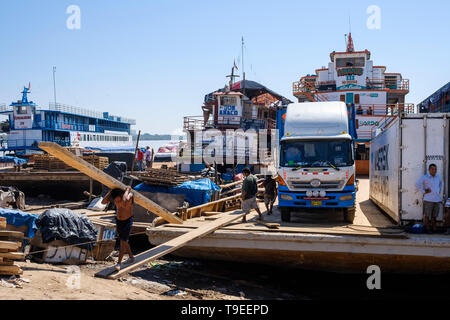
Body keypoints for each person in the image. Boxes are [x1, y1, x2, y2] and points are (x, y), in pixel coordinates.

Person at [102, 186, 135, 271]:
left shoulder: (129, 196)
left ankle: (119, 263)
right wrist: (111, 191)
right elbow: (103, 202)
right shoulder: (117, 197)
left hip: (127, 221)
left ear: (121, 195)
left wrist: (127, 190)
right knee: (124, 240)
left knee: (122, 242)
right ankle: (131, 257)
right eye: (115, 201)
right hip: (119, 222)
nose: (117, 202)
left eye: (118, 200)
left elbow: (124, 201)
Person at [415, 164, 442, 233]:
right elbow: (417, 184)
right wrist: (424, 191)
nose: (434, 170)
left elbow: (440, 185)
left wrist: (438, 192)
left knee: (434, 215)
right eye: (432, 169)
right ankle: (427, 228)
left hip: (437, 199)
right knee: (427, 215)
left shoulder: (438, 177)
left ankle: (434, 228)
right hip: (428, 199)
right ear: (429, 170)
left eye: (435, 169)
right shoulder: (425, 177)